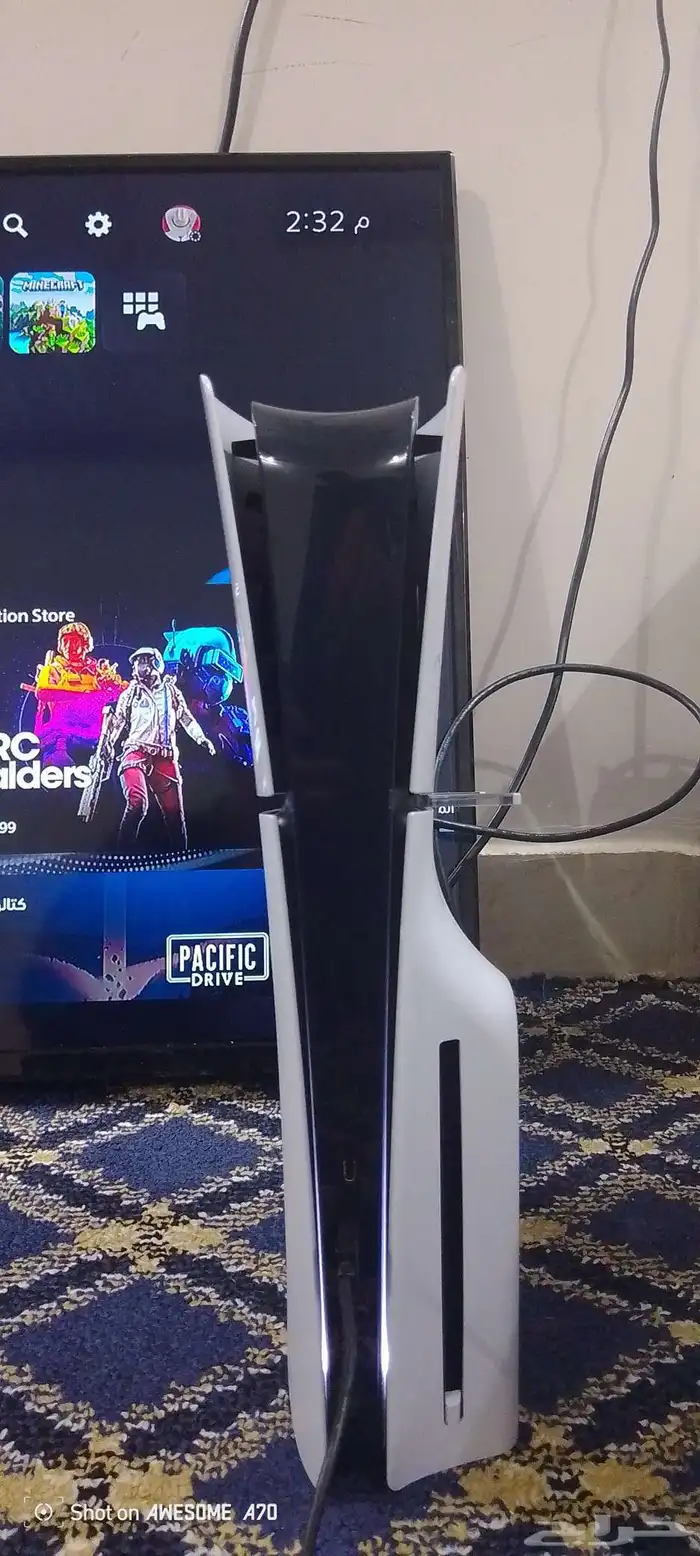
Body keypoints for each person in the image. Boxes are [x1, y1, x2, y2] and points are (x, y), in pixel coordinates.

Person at [104, 646, 216, 851]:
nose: (137, 667)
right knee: (137, 803)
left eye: (142, 661)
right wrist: (108, 744)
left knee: (175, 815)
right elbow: (118, 722)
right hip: (135, 752)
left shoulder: (171, 692)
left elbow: (186, 718)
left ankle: (181, 859)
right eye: (136, 663)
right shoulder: (130, 694)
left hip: (164, 756)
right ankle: (122, 855)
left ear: (154, 663)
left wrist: (201, 738)